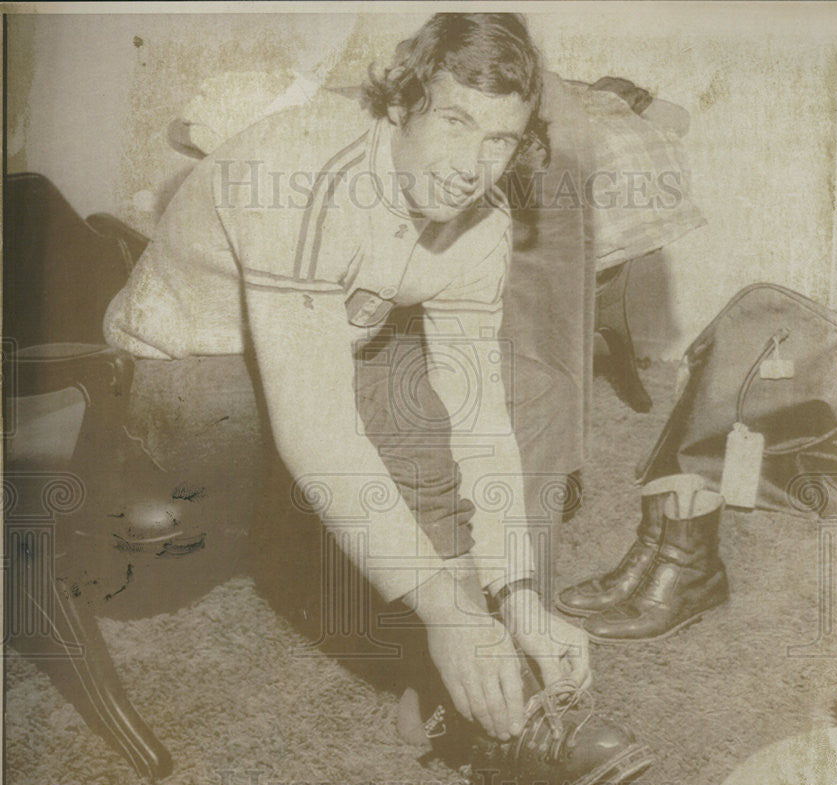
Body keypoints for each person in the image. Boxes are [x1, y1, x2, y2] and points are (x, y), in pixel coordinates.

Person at [104, 12, 591, 747]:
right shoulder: (296, 171)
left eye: (500, 139)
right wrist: (439, 601)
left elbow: (478, 414)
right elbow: (318, 430)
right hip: (177, 386)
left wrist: (516, 590)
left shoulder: (482, 216)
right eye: (456, 122)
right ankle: (450, 655)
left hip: (316, 345)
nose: (473, 163)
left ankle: (496, 648)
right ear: (400, 105)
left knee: (537, 394)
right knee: (382, 413)